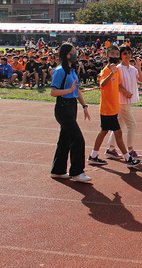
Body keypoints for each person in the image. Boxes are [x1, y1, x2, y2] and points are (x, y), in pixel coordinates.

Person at [87, 45, 142, 168]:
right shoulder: (107, 70)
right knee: (118, 133)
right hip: (107, 108)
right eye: (112, 54)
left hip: (113, 107)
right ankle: (128, 158)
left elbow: (118, 85)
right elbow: (102, 84)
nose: (115, 56)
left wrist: (125, 89)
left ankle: (94, 155)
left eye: (117, 54)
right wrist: (110, 74)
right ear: (107, 56)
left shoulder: (116, 70)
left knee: (104, 131)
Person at [50, 43, 91, 182]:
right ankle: (77, 172)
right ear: (65, 54)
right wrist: (69, 90)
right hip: (63, 107)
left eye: (75, 52)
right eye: (71, 52)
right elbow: (53, 92)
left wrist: (84, 106)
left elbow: (77, 90)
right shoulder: (60, 71)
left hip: (72, 106)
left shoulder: (72, 70)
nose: (75, 54)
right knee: (78, 139)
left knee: (65, 140)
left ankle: (58, 170)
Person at [105, 45, 142, 161]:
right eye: (125, 53)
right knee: (132, 125)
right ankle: (130, 150)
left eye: (129, 53)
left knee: (120, 125)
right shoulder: (117, 68)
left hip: (128, 101)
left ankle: (111, 149)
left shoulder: (133, 69)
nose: (127, 55)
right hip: (121, 100)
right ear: (120, 56)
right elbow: (116, 83)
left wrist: (139, 68)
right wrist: (124, 91)